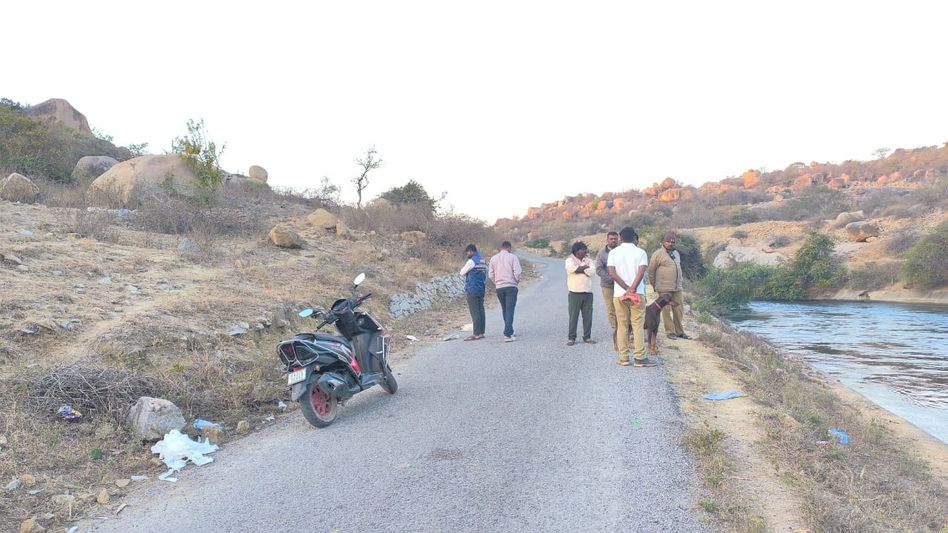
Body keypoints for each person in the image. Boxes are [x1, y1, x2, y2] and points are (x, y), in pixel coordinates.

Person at [607, 227, 655, 367]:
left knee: (622, 325)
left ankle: (623, 358)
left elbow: (612, 273)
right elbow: (641, 272)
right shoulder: (641, 252)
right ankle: (639, 358)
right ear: (634, 237)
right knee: (637, 326)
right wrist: (632, 288)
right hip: (637, 294)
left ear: (620, 238)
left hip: (619, 294)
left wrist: (625, 288)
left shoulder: (614, 253)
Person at [647, 232, 691, 340]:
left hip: (677, 287)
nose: (671, 244)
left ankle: (680, 332)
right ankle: (670, 332)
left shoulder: (676, 253)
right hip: (664, 288)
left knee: (679, 309)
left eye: (673, 242)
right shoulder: (658, 254)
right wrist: (653, 284)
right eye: (668, 242)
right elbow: (651, 271)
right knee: (666, 310)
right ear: (663, 242)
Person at [488, 241, 522, 342]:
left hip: (499, 288)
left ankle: (510, 330)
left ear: (501, 248)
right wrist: (516, 281)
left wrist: (496, 282)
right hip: (511, 286)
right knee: (510, 310)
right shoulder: (513, 257)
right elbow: (518, 272)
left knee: (505, 309)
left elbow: (490, 274)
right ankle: (507, 334)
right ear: (509, 248)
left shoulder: (493, 258)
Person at [565, 241, 596, 346]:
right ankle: (571, 337)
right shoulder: (569, 260)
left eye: (585, 249)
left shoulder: (589, 260)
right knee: (573, 316)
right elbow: (571, 269)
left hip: (588, 292)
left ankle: (587, 337)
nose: (585, 251)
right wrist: (584, 268)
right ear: (577, 251)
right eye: (583, 249)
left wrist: (580, 269)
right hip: (575, 292)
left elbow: (592, 272)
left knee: (588, 316)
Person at [595, 231, 620, 351]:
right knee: (611, 308)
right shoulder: (601, 253)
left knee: (622, 307)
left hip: (621, 285)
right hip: (608, 285)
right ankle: (616, 330)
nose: (613, 241)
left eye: (615, 239)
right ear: (607, 240)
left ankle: (624, 328)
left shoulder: (621, 252)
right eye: (611, 239)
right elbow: (599, 269)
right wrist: (611, 278)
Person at [459, 244, 488, 341]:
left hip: (472, 289)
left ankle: (476, 334)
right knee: (481, 311)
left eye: (467, 252)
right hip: (481, 288)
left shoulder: (471, 261)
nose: (467, 254)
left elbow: (462, 272)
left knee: (474, 312)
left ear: (471, 251)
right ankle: (481, 332)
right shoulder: (483, 260)